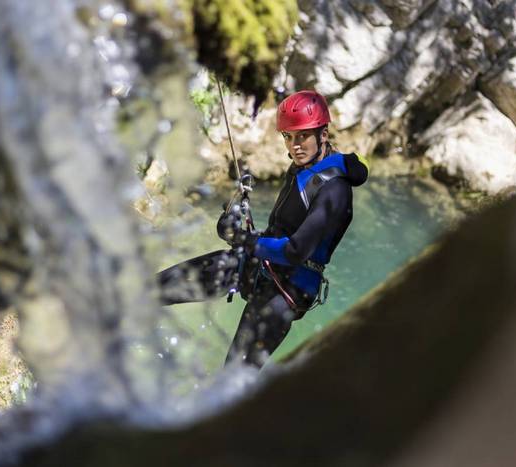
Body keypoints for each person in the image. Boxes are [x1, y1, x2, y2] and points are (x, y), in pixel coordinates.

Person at [157, 90, 368, 367]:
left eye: (302, 136)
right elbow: (280, 232)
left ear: (323, 135)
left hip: (287, 292)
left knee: (234, 376)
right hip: (261, 266)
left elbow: (295, 250)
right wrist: (237, 228)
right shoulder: (302, 168)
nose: (295, 146)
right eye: (289, 137)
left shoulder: (335, 190)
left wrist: (244, 240)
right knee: (159, 288)